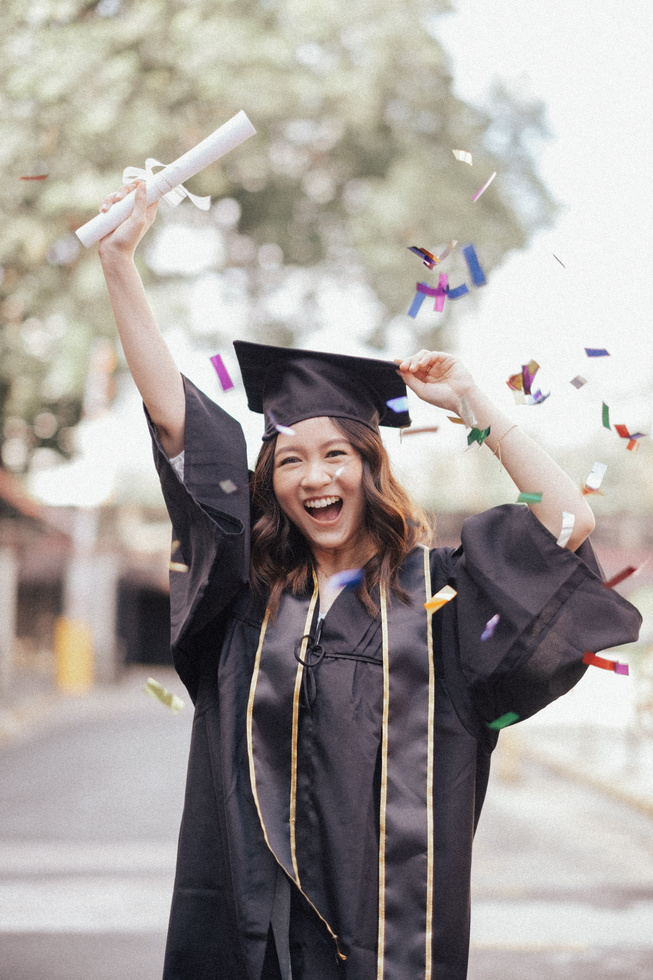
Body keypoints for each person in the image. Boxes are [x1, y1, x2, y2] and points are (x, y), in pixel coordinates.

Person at [97, 180, 641, 980]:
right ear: (269, 484)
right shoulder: (245, 600)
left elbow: (566, 524)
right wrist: (119, 263)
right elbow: (179, 420)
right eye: (290, 459)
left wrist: (472, 402)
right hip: (254, 939)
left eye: (335, 454)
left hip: (387, 944)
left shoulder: (439, 601)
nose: (314, 476)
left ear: (367, 469)